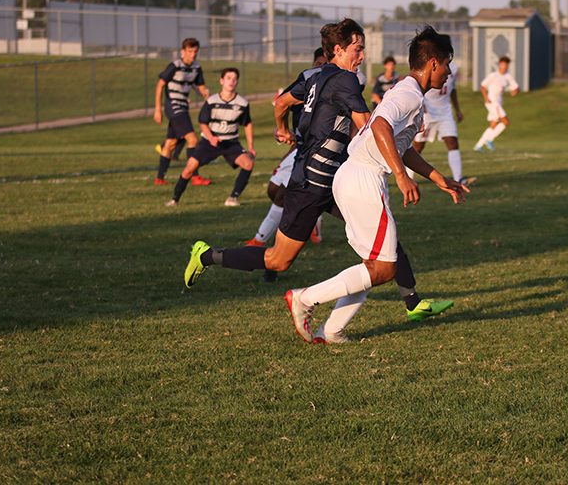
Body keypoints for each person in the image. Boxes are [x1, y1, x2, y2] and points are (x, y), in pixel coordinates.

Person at [183, 18, 453, 330]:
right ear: (338, 50)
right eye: (358, 49)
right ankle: (209, 257)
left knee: (381, 247)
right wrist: (392, 156)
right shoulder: (347, 80)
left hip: (331, 177)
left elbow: (281, 102)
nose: (362, 56)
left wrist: (283, 130)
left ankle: (406, 302)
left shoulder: (312, 75)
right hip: (314, 181)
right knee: (278, 260)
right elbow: (370, 125)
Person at [284, 26, 468, 344]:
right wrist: (400, 175)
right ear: (434, 63)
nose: (449, 73)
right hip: (363, 178)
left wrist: (438, 178)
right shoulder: (409, 94)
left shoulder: (408, 93)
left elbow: (399, 146)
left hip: (353, 175)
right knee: (384, 267)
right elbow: (380, 125)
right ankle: (304, 298)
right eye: (448, 65)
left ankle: (332, 331)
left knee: (373, 265)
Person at [245, 47, 327, 249]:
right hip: (299, 148)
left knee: (286, 194)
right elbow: (281, 102)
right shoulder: (307, 81)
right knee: (274, 189)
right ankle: (312, 222)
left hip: (317, 151)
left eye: (325, 64)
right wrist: (282, 130)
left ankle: (260, 239)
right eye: (319, 64)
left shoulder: (338, 85)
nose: (322, 68)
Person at [166, 67, 254, 207]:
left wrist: (250, 147)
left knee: (248, 163)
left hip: (231, 143)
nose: (231, 81)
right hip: (209, 142)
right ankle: (174, 199)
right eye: (228, 78)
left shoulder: (242, 103)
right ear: (221, 81)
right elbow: (202, 123)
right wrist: (211, 137)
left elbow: (247, 124)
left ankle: (233, 198)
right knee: (190, 166)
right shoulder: (211, 101)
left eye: (234, 79)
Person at [153, 38, 209, 186]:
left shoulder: (197, 67)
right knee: (193, 140)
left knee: (170, 143)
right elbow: (159, 85)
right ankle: (194, 176)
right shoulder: (174, 66)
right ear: (182, 52)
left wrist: (207, 95)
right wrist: (157, 109)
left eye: (195, 51)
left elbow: (201, 87)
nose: (193, 54)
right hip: (173, 107)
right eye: (190, 51)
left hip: (183, 107)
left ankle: (159, 178)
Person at [412, 59, 475, 185]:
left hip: (445, 111)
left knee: (452, 142)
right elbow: (419, 85)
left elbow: (453, 89)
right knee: (417, 147)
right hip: (428, 112)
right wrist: (420, 104)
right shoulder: (431, 65)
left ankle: (458, 178)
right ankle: (408, 178)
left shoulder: (453, 67)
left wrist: (457, 109)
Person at [473, 56, 519, 151]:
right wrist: (486, 98)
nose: (504, 66)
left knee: (494, 124)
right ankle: (489, 139)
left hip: (499, 103)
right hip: (492, 102)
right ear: (499, 65)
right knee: (505, 122)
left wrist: (515, 91)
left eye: (506, 65)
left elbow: (516, 88)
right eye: (502, 64)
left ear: (507, 66)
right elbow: (483, 86)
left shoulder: (508, 76)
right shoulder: (493, 75)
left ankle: (478, 146)